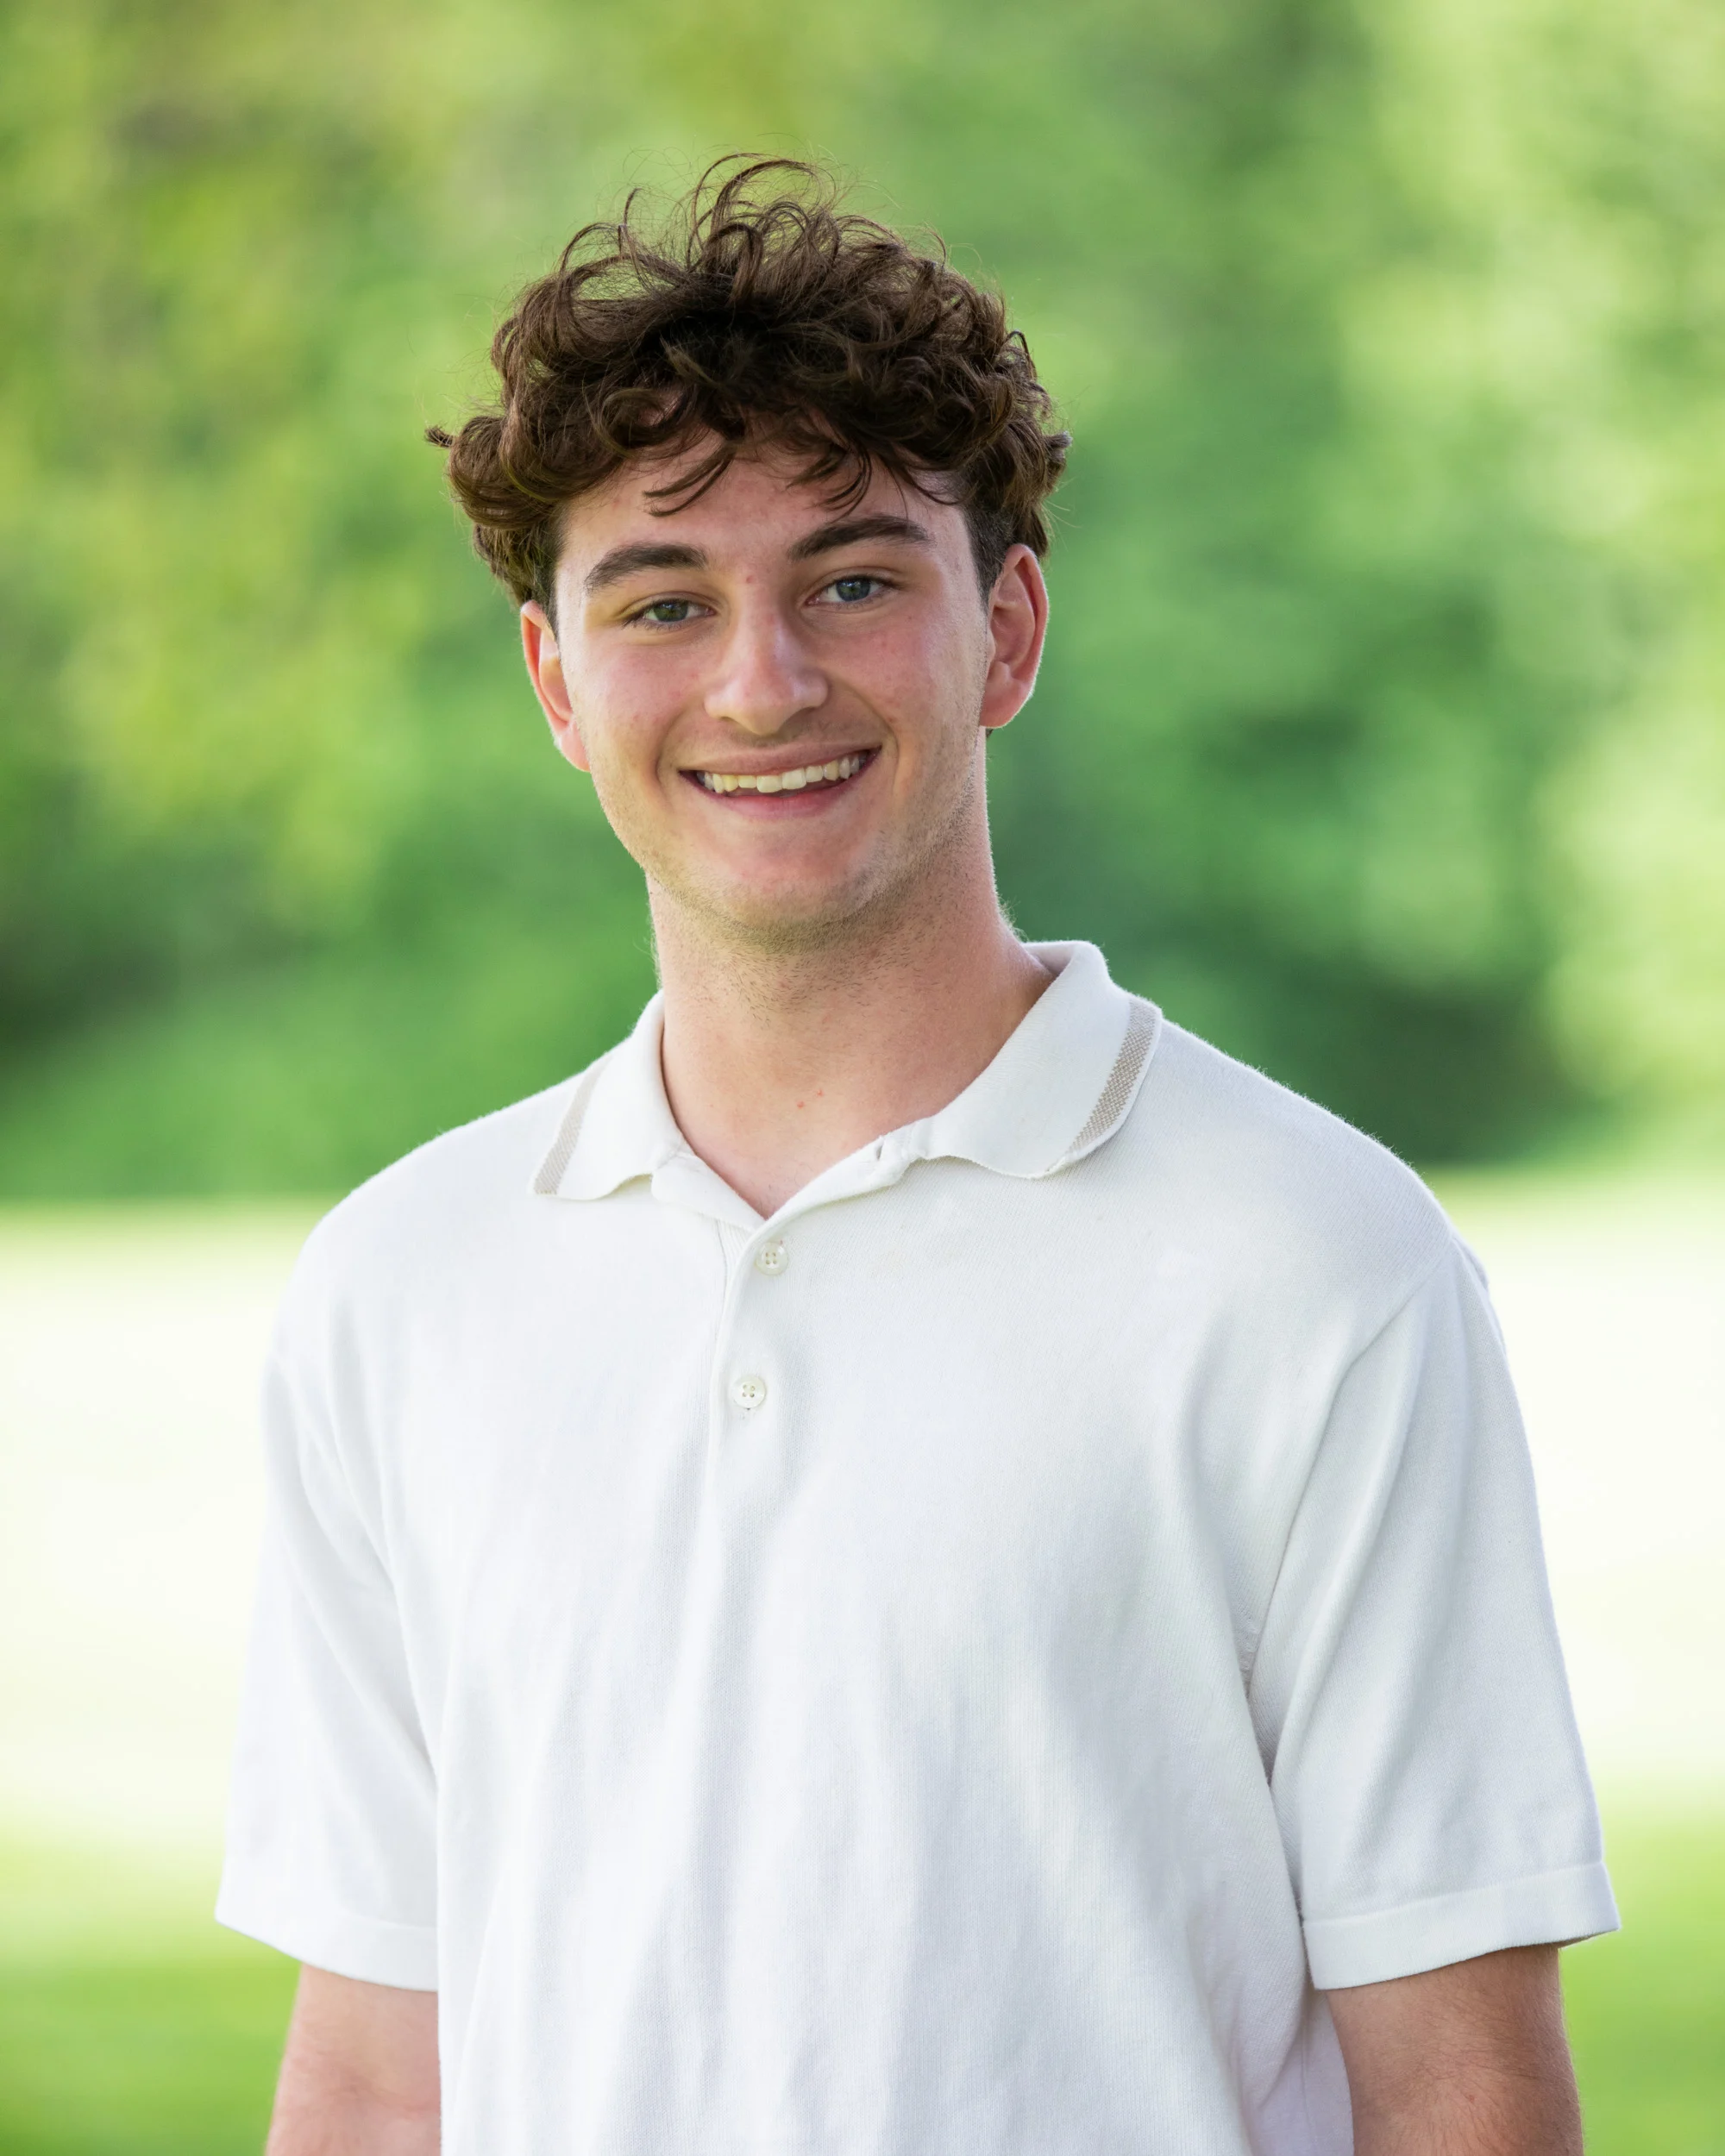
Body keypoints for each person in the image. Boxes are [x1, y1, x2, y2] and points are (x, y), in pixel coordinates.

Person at [218, 160, 1617, 2155]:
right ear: (555, 682)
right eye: (663, 601)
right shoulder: (400, 1286)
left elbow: (1462, 2092)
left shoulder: (1317, 1265)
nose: (761, 681)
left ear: (1008, 630)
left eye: (854, 581)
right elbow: (372, 2080)